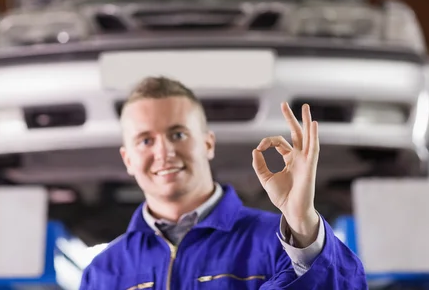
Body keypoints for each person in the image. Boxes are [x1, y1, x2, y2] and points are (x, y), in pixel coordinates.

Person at [79, 76, 367, 289]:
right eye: (145, 140)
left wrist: (303, 224)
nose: (163, 152)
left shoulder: (279, 245)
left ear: (208, 143)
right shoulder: (103, 272)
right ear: (127, 159)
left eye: (178, 134)